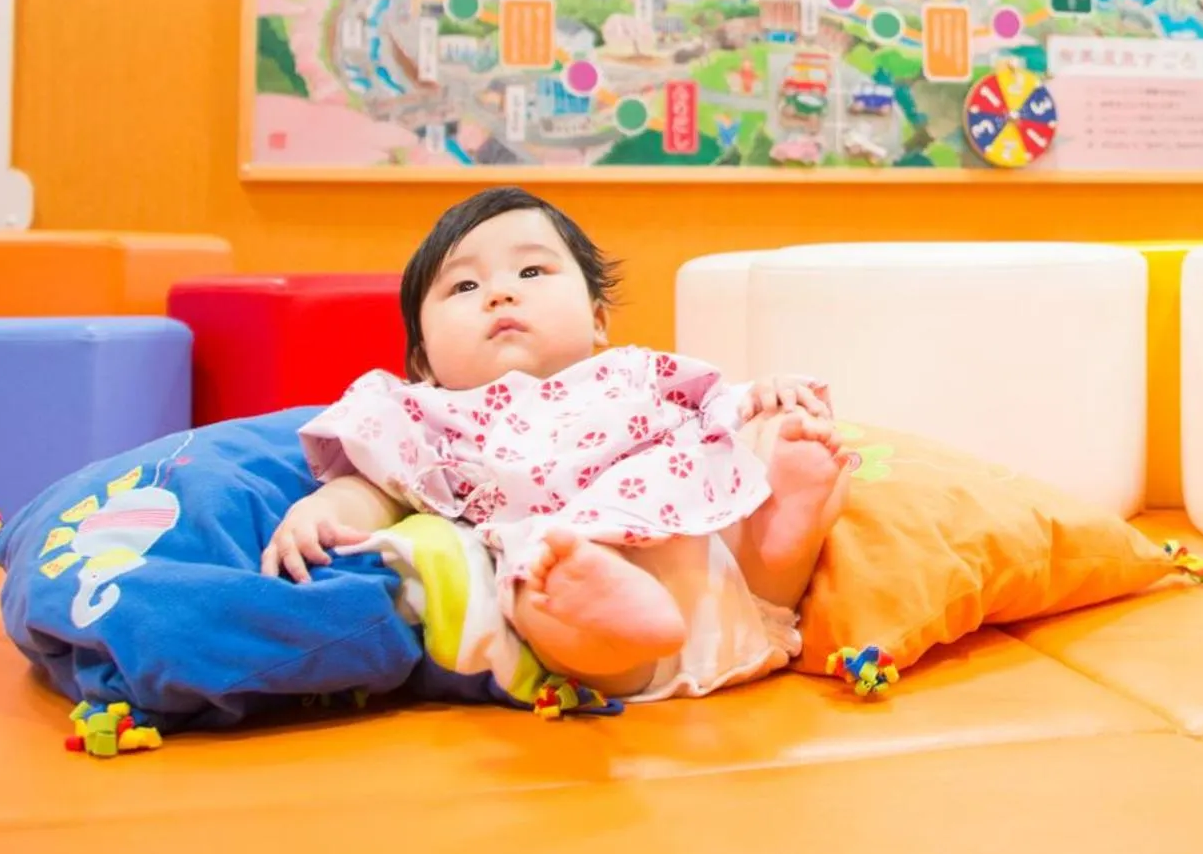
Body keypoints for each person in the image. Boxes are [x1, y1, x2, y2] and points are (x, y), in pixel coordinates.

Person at [264, 187, 848, 700]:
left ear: (597, 320)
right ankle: (616, 626)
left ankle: (781, 549)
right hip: (575, 560)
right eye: (465, 285)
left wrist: (763, 400)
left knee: (756, 448)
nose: (500, 295)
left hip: (709, 555)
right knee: (535, 586)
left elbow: (716, 406)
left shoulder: (632, 371)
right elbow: (374, 484)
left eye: (532, 273)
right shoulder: (425, 412)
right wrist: (321, 510)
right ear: (423, 359)